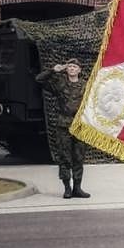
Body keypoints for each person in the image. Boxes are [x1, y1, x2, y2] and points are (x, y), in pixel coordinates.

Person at [35, 58, 89, 197]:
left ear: (79, 70)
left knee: (79, 157)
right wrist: (53, 70)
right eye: (69, 66)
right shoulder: (59, 83)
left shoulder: (85, 85)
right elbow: (39, 80)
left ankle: (77, 188)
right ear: (66, 69)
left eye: (74, 67)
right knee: (64, 157)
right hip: (63, 125)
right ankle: (67, 188)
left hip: (80, 126)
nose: (72, 68)